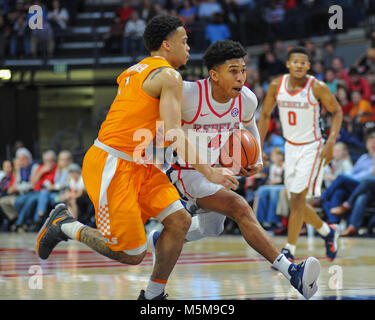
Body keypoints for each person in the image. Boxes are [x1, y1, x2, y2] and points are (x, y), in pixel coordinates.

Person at [36, 15, 237, 300]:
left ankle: (154, 295)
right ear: (167, 45)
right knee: (131, 253)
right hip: (113, 165)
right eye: (184, 41)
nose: (189, 47)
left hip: (142, 164)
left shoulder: (136, 69)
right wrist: (210, 171)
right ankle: (65, 225)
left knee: (179, 221)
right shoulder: (169, 76)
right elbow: (174, 132)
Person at [151, 40, 321, 300]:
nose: (240, 77)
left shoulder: (247, 99)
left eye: (243, 70)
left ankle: (160, 240)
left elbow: (249, 125)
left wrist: (258, 159)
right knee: (240, 207)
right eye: (233, 70)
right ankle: (292, 272)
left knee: (213, 228)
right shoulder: (188, 94)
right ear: (214, 74)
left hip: (217, 170)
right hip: (183, 169)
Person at [258, 46, 343, 262]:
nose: (299, 65)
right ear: (288, 64)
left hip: (313, 147)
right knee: (294, 201)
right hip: (290, 146)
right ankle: (327, 231)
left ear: (309, 65)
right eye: (295, 61)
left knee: (296, 198)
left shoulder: (317, 87)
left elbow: (337, 111)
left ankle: (289, 250)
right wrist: (259, 145)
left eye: (303, 62)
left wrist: (331, 142)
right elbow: (266, 114)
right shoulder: (277, 85)